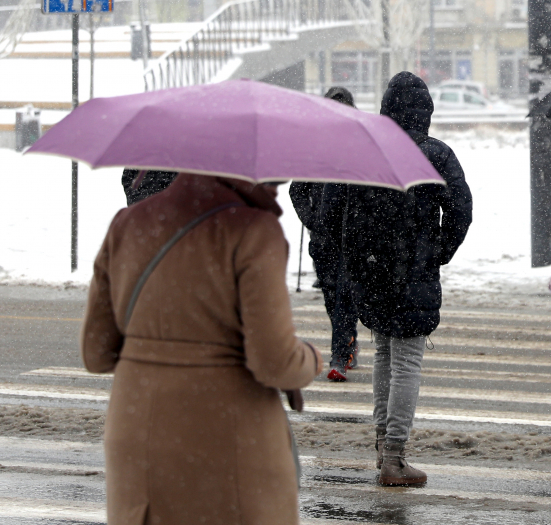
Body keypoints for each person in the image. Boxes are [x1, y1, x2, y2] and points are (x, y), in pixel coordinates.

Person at [82, 174, 324, 524]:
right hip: (230, 440)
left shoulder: (129, 224)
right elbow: (274, 361)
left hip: (138, 437)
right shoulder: (254, 230)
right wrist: (310, 359)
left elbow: (96, 352)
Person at [317, 71, 472, 486]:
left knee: (385, 354)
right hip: (413, 273)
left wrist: (351, 258)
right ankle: (395, 458)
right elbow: (461, 210)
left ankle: (384, 447)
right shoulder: (435, 155)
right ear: (426, 111)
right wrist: (438, 252)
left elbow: (328, 213)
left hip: (369, 273)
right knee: (405, 361)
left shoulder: (359, 154)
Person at [290, 86, 360, 382]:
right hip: (323, 239)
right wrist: (312, 220)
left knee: (346, 296)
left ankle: (340, 357)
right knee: (333, 296)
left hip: (354, 238)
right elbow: (297, 190)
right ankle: (348, 342)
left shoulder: (360, 145)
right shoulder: (314, 149)